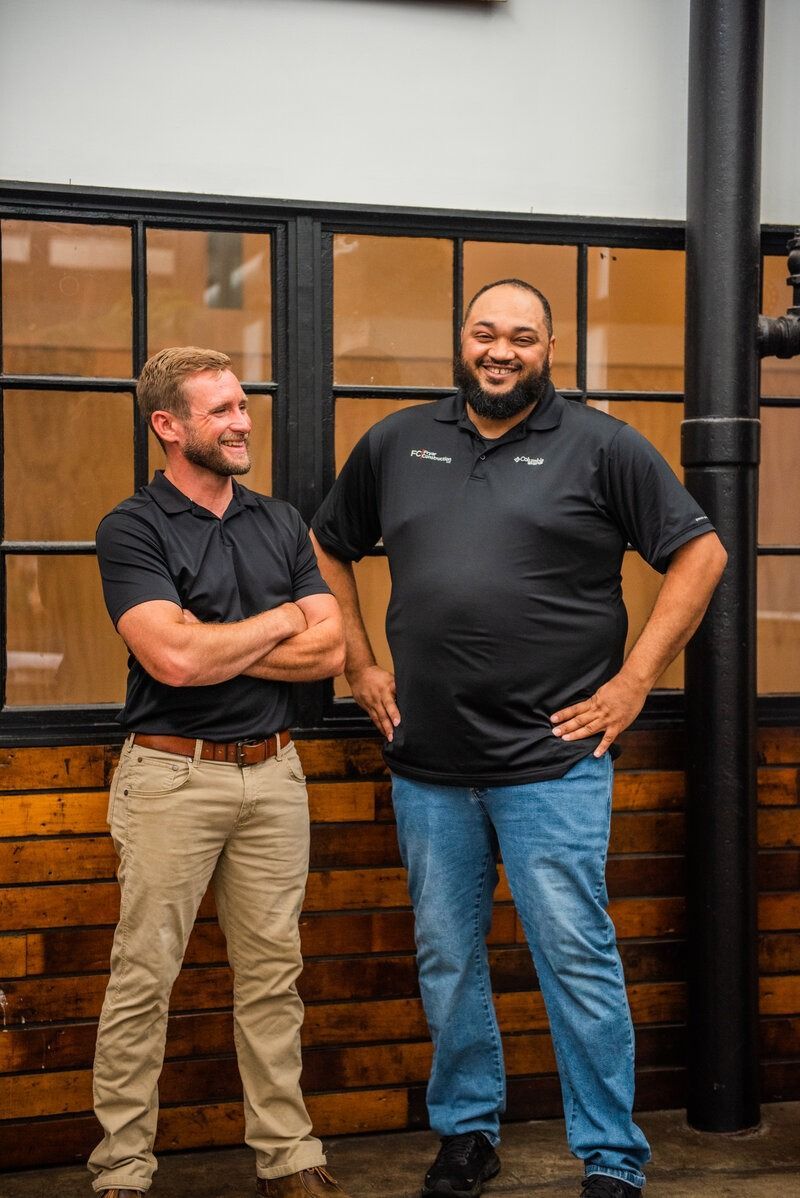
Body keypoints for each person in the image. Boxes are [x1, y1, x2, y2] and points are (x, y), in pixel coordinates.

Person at [310, 281, 727, 1198]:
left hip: (553, 765)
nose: (502, 351)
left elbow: (702, 553)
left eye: (523, 338)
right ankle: (467, 1134)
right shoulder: (396, 442)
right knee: (447, 955)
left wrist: (633, 682)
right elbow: (328, 543)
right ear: (461, 340)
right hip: (427, 765)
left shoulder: (602, 446)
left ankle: (611, 1159)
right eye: (486, 333)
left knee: (575, 956)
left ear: (550, 350)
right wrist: (358, 663)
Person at [90, 347, 348, 1198]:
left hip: (274, 776)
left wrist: (216, 643)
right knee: (144, 977)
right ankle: (122, 1169)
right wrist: (278, 622)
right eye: (222, 411)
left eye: (244, 405)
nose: (243, 423)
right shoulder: (133, 527)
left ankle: (289, 1157)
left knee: (274, 978)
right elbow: (168, 657)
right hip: (171, 779)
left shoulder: (278, 521)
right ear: (168, 426)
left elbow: (332, 650)